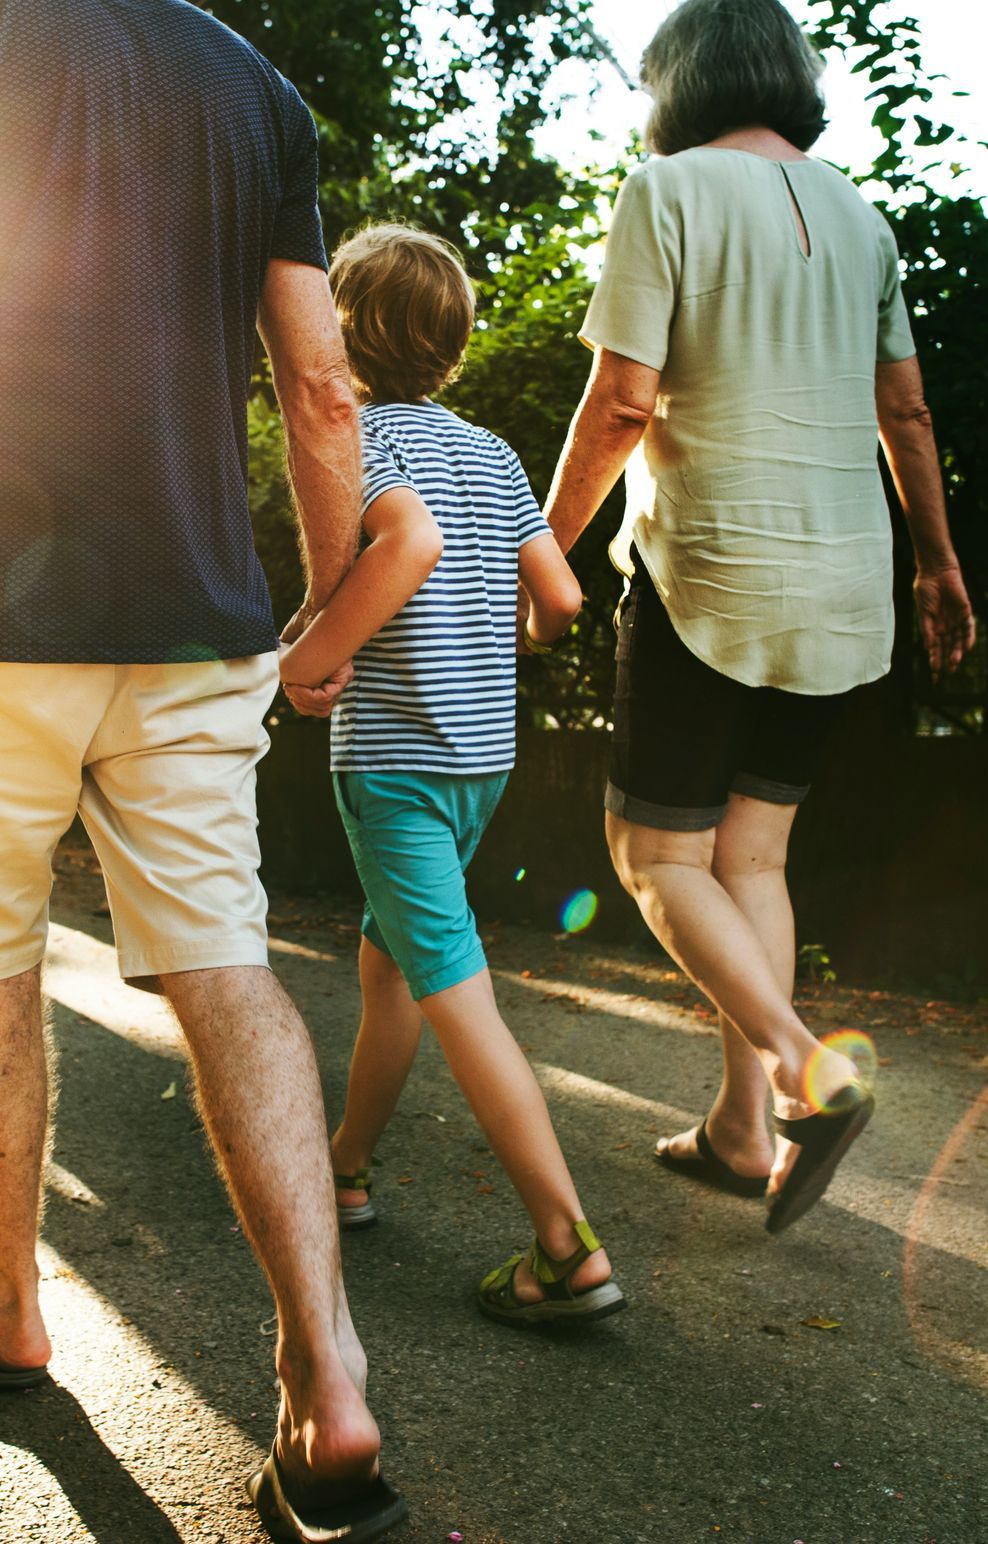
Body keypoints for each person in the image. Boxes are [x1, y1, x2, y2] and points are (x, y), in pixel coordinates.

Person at [0, 3, 402, 1539]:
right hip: (198, 615)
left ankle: (12, 1311)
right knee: (225, 966)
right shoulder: (252, 85)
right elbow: (323, 383)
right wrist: (324, 607)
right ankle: (329, 1383)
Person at [542, 0, 976, 1234]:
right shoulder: (860, 213)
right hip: (843, 580)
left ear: (679, 82)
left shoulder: (666, 188)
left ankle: (804, 1066)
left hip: (710, 572)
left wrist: (542, 544)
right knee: (753, 857)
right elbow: (909, 414)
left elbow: (624, 399)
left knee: (654, 855)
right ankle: (740, 1130)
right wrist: (938, 567)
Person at [279, 226, 621, 1327]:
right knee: (394, 970)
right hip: (482, 761)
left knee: (454, 991)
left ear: (345, 327)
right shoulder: (495, 455)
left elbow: (406, 548)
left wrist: (309, 658)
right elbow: (562, 601)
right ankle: (347, 1165)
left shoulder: (358, 439)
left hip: (395, 768)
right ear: (456, 343)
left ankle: (566, 1246)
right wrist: (492, 641)